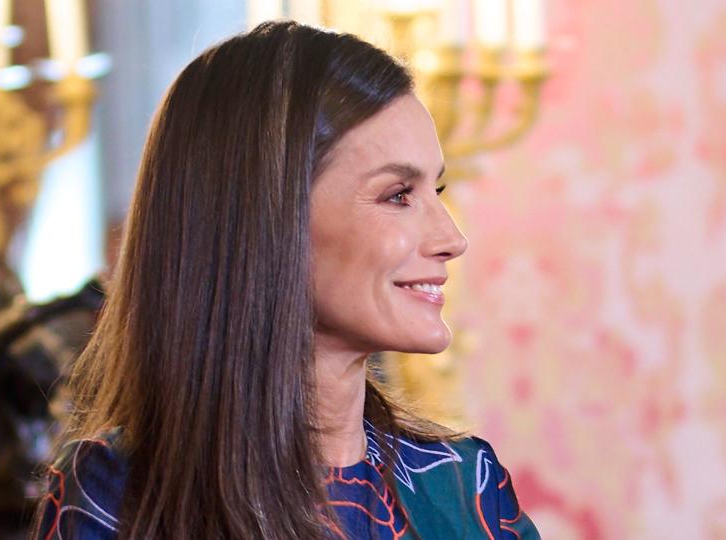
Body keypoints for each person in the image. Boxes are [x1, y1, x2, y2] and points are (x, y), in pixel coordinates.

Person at [34, 21, 540, 539]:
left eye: (437, 190)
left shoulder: (466, 488)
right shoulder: (113, 493)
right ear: (267, 219)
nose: (451, 237)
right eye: (398, 195)